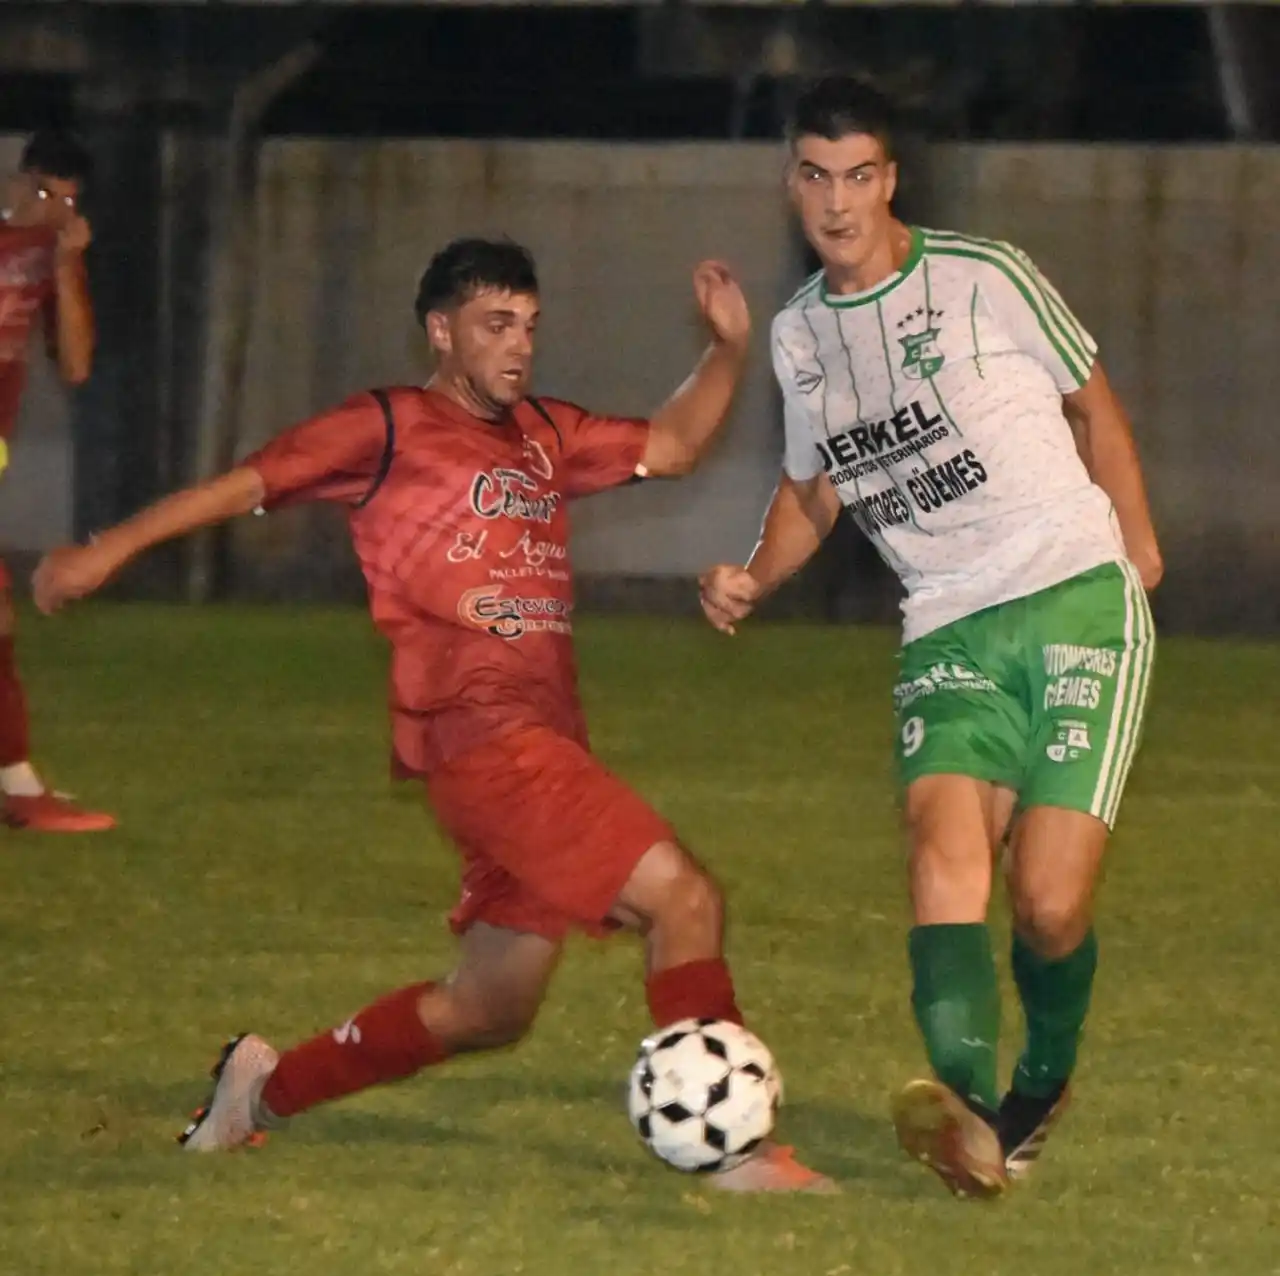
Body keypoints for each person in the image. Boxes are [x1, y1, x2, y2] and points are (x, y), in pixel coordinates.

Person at [34, 237, 832, 1193]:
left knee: (490, 1008)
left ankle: (263, 1090)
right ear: (441, 330)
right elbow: (251, 482)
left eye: (530, 326)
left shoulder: (542, 433)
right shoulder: (390, 425)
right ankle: (731, 1152)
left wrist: (728, 351)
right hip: (484, 739)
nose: (519, 346)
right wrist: (105, 551)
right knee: (685, 899)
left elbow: (671, 446)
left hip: (530, 748)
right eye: (498, 325)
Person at [699, 78, 1161, 1199]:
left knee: (1049, 902)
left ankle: (1038, 1080)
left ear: (889, 179)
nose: (837, 200)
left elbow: (1090, 400)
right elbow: (813, 493)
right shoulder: (801, 335)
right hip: (945, 616)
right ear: (791, 184)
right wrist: (752, 576)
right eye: (815, 175)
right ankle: (963, 1108)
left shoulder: (979, 276)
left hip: (1069, 595)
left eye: (858, 174)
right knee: (938, 847)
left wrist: (1136, 556)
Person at [0, 131, 114, 832]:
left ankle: (18, 786)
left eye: (68, 203)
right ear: (19, 183)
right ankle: (19, 789)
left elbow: (74, 364)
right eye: (46, 195)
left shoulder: (50, 260)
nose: (54, 212)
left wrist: (69, 264)